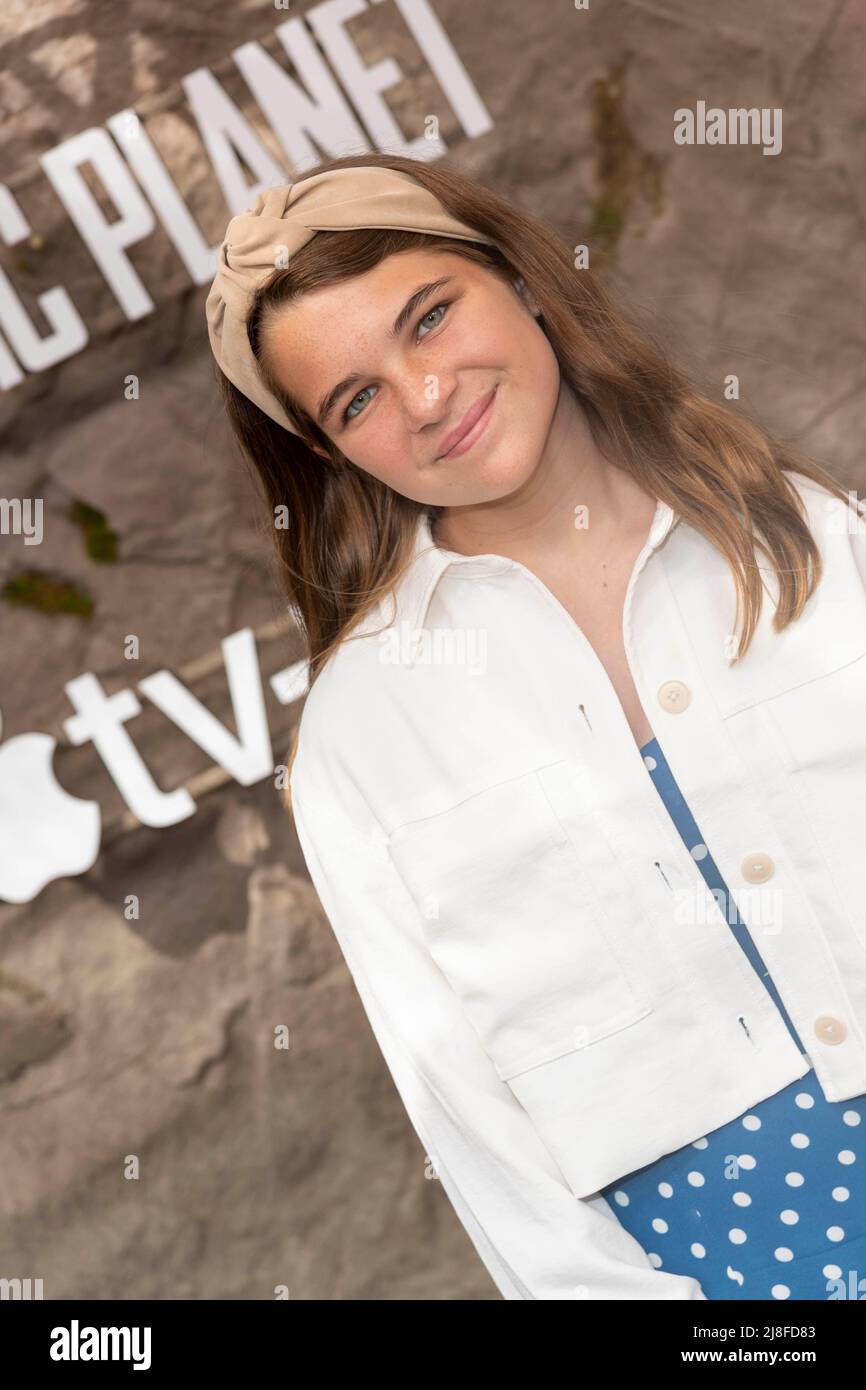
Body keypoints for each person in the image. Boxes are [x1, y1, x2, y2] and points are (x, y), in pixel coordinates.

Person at [206, 152, 866, 1301]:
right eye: (355, 397)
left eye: (429, 317)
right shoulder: (362, 741)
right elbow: (469, 1122)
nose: (423, 396)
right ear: (326, 452)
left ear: (517, 276)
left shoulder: (804, 535)